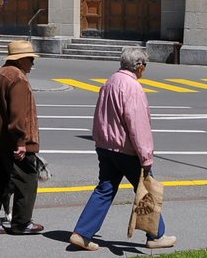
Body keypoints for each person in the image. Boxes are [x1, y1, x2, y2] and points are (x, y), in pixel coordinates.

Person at [69, 47, 176, 251]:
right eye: (145, 66)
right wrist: (146, 157)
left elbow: (100, 116)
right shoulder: (133, 87)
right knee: (146, 192)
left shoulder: (111, 82)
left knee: (105, 189)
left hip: (106, 147)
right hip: (127, 151)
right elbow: (138, 126)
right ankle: (156, 235)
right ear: (140, 66)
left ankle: (82, 233)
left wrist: (99, 141)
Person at [0, 38, 43, 236]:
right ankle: (21, 223)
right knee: (27, 180)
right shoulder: (18, 79)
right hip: (12, 142)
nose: (33, 63)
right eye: (30, 59)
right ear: (19, 60)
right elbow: (18, 116)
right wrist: (21, 142)